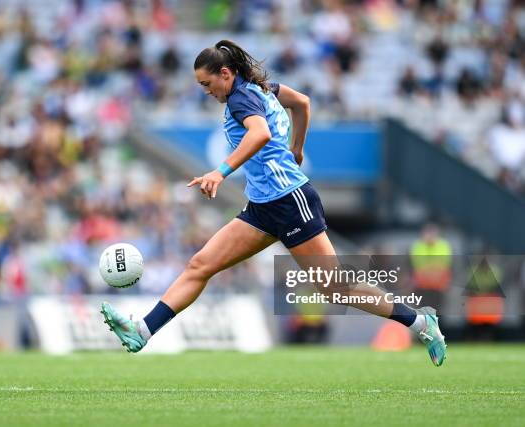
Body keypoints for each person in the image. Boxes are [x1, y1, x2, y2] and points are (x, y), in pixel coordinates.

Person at [101, 40, 447, 366]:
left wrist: (220, 172)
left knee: (336, 287)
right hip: (264, 207)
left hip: (291, 202)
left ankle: (419, 321)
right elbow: (303, 103)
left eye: (208, 84)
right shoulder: (265, 89)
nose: (207, 92)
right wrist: (297, 148)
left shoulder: (239, 99)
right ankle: (142, 331)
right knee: (200, 265)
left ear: (226, 74)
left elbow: (260, 133)